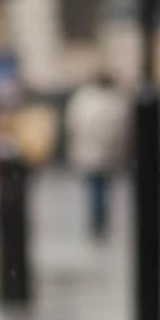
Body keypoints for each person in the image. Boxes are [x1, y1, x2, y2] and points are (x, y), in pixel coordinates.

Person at [64, 68, 130, 238]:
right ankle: (100, 220)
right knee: (103, 187)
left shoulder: (83, 99)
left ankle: (96, 220)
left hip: (88, 151)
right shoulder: (115, 101)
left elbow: (73, 124)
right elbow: (120, 129)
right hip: (106, 153)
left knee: (94, 187)